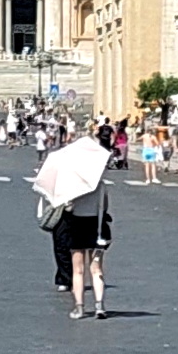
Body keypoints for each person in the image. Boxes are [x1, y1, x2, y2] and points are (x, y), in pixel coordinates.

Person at [63, 126, 113, 320]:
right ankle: (100, 305)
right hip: (97, 226)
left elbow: (68, 207)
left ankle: (79, 307)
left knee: (78, 270)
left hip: (76, 225)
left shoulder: (74, 184)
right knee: (97, 268)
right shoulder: (100, 184)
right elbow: (105, 206)